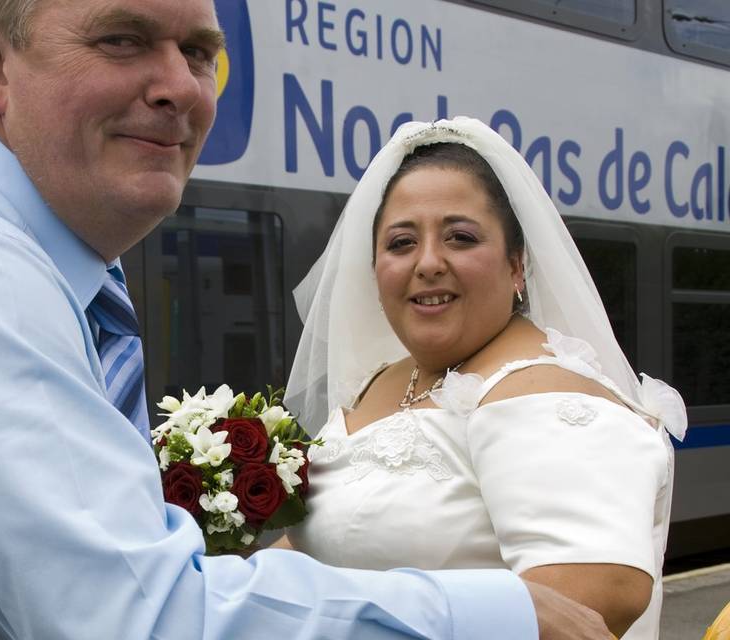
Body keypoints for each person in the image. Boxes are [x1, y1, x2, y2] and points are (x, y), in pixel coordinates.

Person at [0, 0, 613, 636]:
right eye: (123, 38)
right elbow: (141, 619)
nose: (181, 88)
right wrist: (495, 618)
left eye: (200, 52)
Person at [284, 117, 688, 639]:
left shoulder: (546, 396)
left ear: (517, 265)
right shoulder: (381, 381)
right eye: (401, 243)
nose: (428, 262)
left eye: (460, 237)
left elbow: (594, 599)